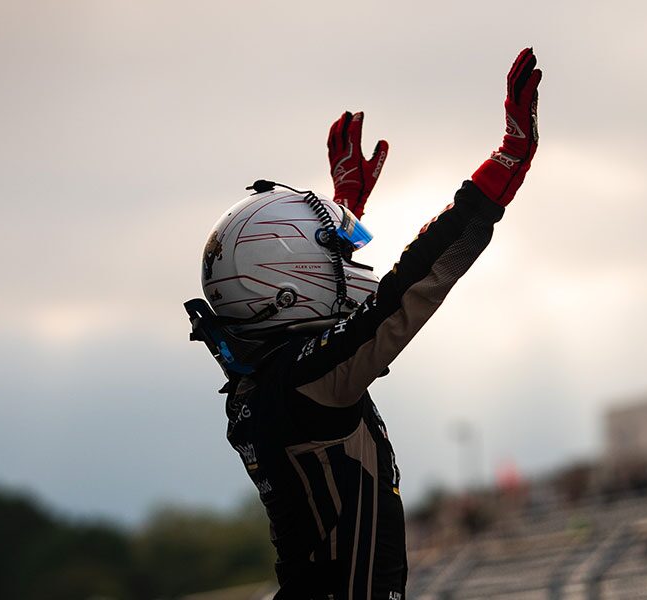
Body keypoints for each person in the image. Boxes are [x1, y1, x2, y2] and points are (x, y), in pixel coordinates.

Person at [185, 48, 543, 599]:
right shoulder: (308, 381)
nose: (348, 272)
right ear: (285, 282)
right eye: (333, 259)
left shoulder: (266, 378)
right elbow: (406, 292)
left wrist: (344, 206)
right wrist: (504, 167)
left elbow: (337, 322)